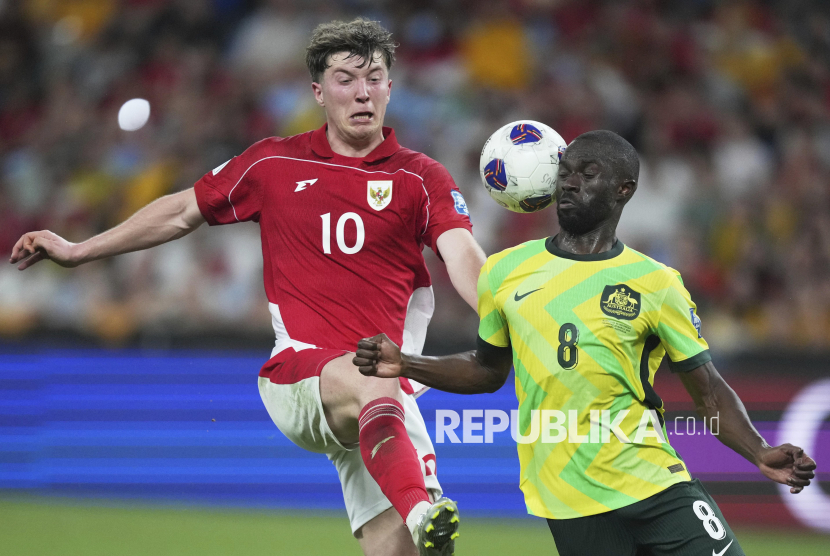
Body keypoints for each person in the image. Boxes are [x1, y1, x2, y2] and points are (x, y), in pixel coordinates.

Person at [9, 18, 485, 556]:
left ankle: (419, 522)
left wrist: (501, 308)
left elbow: (462, 255)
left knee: (417, 550)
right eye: (346, 79)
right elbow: (183, 210)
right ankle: (420, 507)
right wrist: (79, 249)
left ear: (391, 88)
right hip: (300, 373)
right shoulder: (273, 162)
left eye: (374, 78)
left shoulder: (420, 178)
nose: (361, 92)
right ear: (318, 92)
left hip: (383, 397)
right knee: (378, 382)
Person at [353, 130, 818, 556]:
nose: (570, 185)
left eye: (588, 174)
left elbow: (708, 390)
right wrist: (407, 364)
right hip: (566, 497)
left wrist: (759, 450)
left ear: (624, 189)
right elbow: (487, 369)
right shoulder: (505, 270)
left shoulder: (655, 282)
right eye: (565, 174)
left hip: (653, 482)